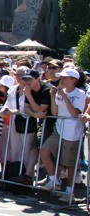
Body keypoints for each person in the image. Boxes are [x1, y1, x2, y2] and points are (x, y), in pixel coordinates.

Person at [38, 68, 86, 201]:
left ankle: (69, 192)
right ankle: (53, 180)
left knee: (69, 163)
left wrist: (65, 97)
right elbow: (55, 113)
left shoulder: (80, 93)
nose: (62, 80)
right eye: (62, 77)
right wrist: (53, 97)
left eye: (65, 78)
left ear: (74, 81)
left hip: (72, 132)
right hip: (59, 129)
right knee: (44, 151)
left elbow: (75, 113)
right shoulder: (59, 92)